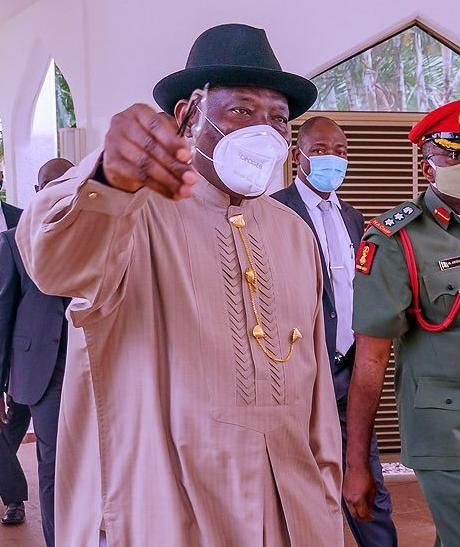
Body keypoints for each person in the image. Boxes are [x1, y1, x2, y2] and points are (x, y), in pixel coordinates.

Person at [17, 24, 344, 546]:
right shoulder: (133, 211)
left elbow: (317, 399)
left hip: (287, 512)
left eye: (278, 118)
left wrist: (325, 507)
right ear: (189, 116)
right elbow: (52, 259)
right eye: (241, 110)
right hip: (165, 512)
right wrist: (107, 179)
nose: (263, 129)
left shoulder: (294, 234)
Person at [343, 98, 460, 547]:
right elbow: (370, 361)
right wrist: (358, 463)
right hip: (447, 431)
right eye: (456, 153)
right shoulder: (397, 239)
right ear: (428, 163)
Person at [271, 116, 397, 546]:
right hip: (299, 380)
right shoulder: (273, 211)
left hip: (349, 375)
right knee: (300, 494)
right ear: (297, 156)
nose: (333, 159)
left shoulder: (355, 219)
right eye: (322, 150)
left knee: (368, 490)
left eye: (341, 151)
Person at [0, 158, 74, 544]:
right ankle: (56, 539)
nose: (61, 188)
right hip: (42, 368)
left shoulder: (98, 231)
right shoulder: (15, 240)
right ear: (37, 191)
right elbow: (3, 316)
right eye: (52, 183)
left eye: (69, 180)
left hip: (90, 363)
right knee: (53, 463)